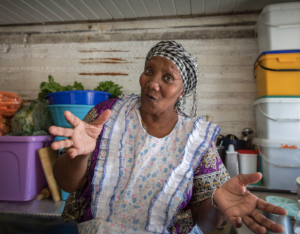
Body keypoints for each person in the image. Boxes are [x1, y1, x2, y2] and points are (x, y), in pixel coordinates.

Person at [50, 41, 287, 234]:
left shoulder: (197, 140)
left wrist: (216, 204)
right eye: (149, 71)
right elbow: (68, 184)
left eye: (168, 78)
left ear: (183, 90)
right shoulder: (107, 115)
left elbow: (204, 223)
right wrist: (79, 157)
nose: (152, 83)